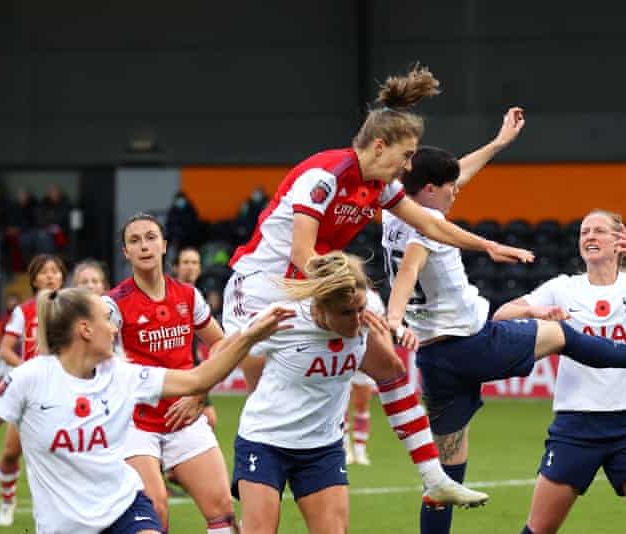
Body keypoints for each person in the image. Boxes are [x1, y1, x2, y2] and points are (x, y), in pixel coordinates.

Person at [224, 64, 531, 508]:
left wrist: (487, 246)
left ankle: (433, 478)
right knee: (266, 398)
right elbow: (301, 254)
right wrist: (349, 297)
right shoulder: (324, 177)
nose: (408, 167)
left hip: (313, 287)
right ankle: (244, 469)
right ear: (380, 145)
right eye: (405, 156)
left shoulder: (377, 187)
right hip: (259, 289)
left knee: (387, 366)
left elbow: (430, 221)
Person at [384, 144, 626, 534]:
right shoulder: (426, 226)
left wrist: (498, 142)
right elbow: (410, 268)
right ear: (429, 189)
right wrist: (392, 316)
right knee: (561, 335)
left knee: (443, 477)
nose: (457, 190)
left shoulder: (394, 212)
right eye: (450, 186)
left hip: (434, 360)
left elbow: (453, 177)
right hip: (472, 343)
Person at [0, 286, 294, 534]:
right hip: (63, 526)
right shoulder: (29, 379)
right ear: (84, 329)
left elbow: (198, 379)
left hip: (125, 511)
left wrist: (250, 336)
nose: (113, 328)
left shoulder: (121, 375)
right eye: (105, 320)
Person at [232, 251, 474, 533]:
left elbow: (393, 381)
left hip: (323, 449)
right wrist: (197, 393)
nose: (357, 319)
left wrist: (432, 473)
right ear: (320, 308)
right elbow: (227, 351)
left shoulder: (365, 315)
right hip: (265, 441)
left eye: (360, 309)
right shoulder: (283, 320)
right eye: (346, 313)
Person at [494, 209, 626, 534]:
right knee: (538, 530)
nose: (589, 236)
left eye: (598, 230)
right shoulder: (562, 288)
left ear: (619, 242)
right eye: (584, 232)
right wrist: (536, 310)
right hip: (576, 424)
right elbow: (501, 316)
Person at [106, 213, 236, 533]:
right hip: (135, 423)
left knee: (223, 510)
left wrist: (199, 394)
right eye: (134, 241)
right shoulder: (112, 304)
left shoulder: (189, 297)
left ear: (164, 246)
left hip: (184, 416)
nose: (144, 246)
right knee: (155, 507)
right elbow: (98, 359)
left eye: (151, 238)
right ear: (126, 253)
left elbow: (220, 344)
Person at [0, 254, 66, 526]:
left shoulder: (72, 307)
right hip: (32, 393)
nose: (50, 276)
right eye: (44, 272)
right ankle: (8, 501)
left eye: (55, 271)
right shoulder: (24, 311)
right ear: (34, 278)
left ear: (62, 275)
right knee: (11, 452)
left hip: (65, 391)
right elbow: (4, 350)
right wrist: (30, 369)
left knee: (63, 453)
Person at [172, 246, 218, 429]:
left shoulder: (199, 296)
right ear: (176, 267)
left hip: (193, 366)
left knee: (209, 420)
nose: (190, 267)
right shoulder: (169, 294)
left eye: (194, 263)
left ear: (199, 268)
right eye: (185, 262)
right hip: (175, 367)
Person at [343, 290, 385, 466]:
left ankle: (360, 450)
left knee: (362, 403)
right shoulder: (337, 293)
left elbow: (380, 327)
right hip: (342, 353)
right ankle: (344, 448)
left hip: (364, 352)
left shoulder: (373, 298)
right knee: (340, 404)